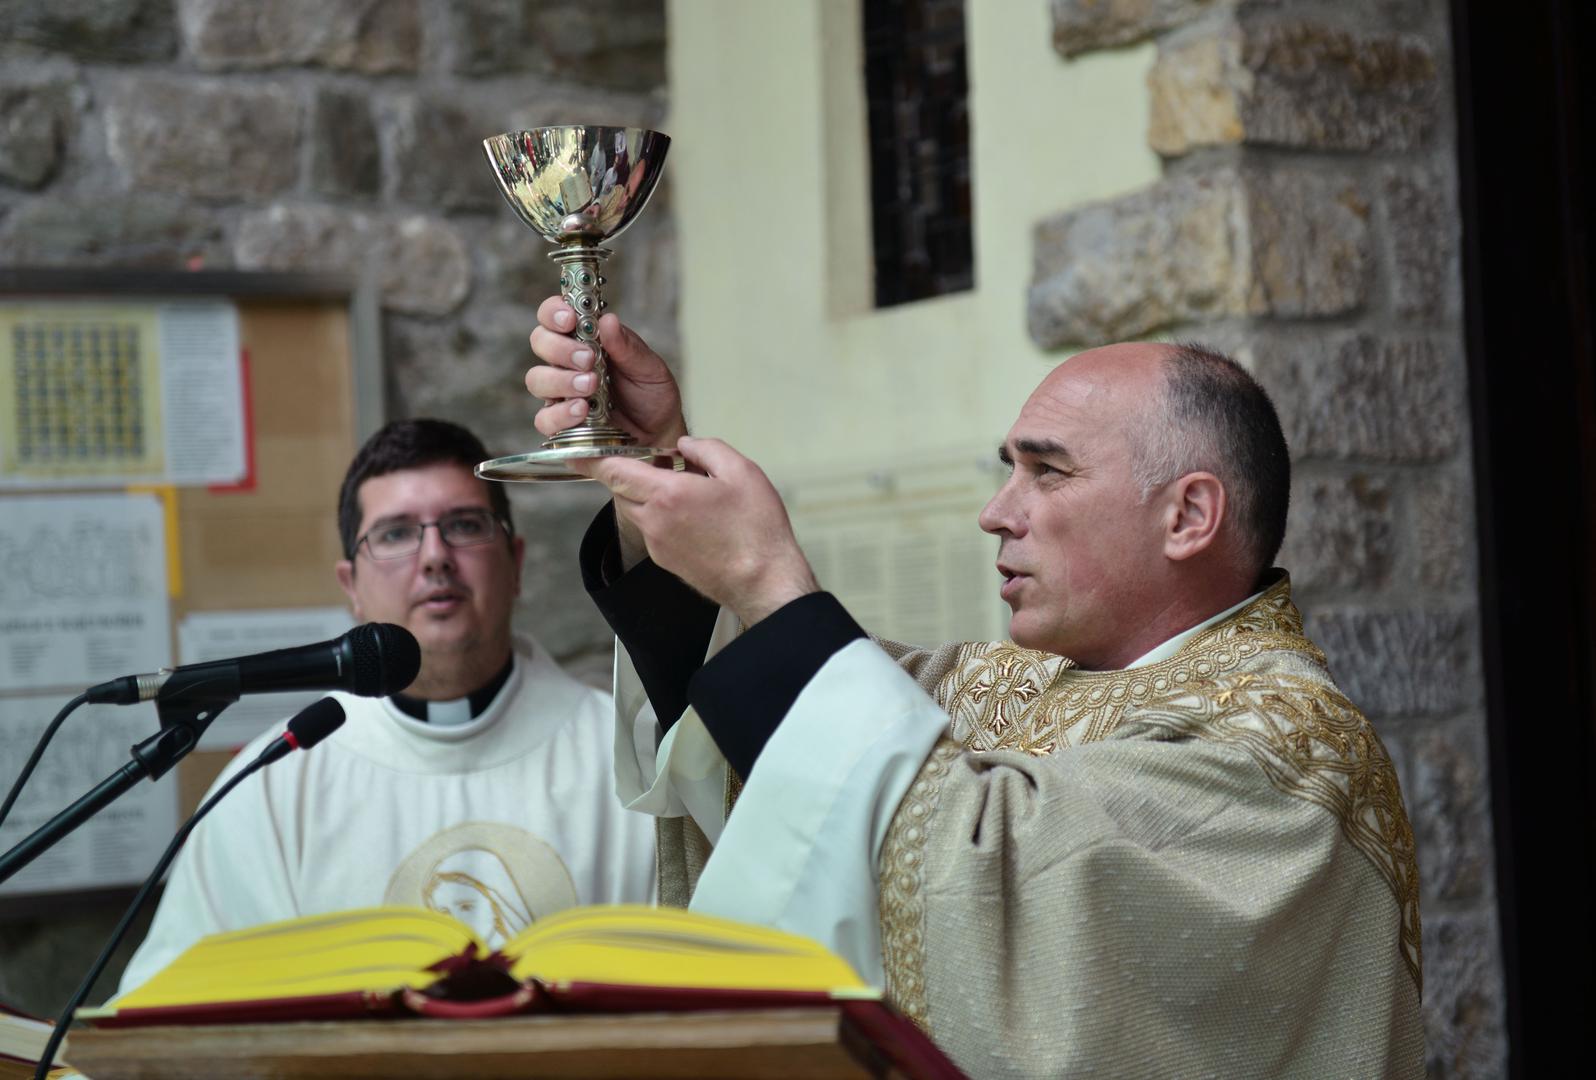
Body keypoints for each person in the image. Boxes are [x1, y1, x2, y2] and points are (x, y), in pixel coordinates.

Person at [525, 301, 1425, 1078]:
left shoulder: (1284, 758)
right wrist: (656, 480)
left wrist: (765, 573)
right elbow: (783, 732)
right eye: (1008, 469)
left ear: (1187, 515)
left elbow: (983, 882)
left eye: (1048, 470)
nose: (997, 510)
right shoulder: (1006, 682)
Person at [119, 419, 655, 991]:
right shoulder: (275, 784)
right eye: (396, 534)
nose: (434, 556)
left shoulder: (630, 759)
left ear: (516, 562)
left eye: (465, 525)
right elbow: (176, 1005)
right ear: (350, 585)